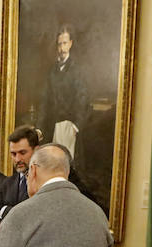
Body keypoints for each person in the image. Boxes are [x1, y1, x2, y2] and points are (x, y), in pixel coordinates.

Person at [37, 24, 89, 160]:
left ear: (70, 44)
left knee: (67, 165)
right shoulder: (51, 71)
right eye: (59, 44)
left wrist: (76, 126)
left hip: (69, 126)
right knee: (51, 163)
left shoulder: (77, 70)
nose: (61, 48)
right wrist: (39, 127)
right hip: (52, 126)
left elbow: (82, 98)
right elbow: (44, 100)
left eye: (64, 43)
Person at [0, 126, 39, 224]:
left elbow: (36, 216)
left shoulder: (44, 180)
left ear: (36, 150)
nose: (17, 159)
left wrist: (5, 211)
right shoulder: (7, 183)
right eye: (13, 154)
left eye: (22, 153)